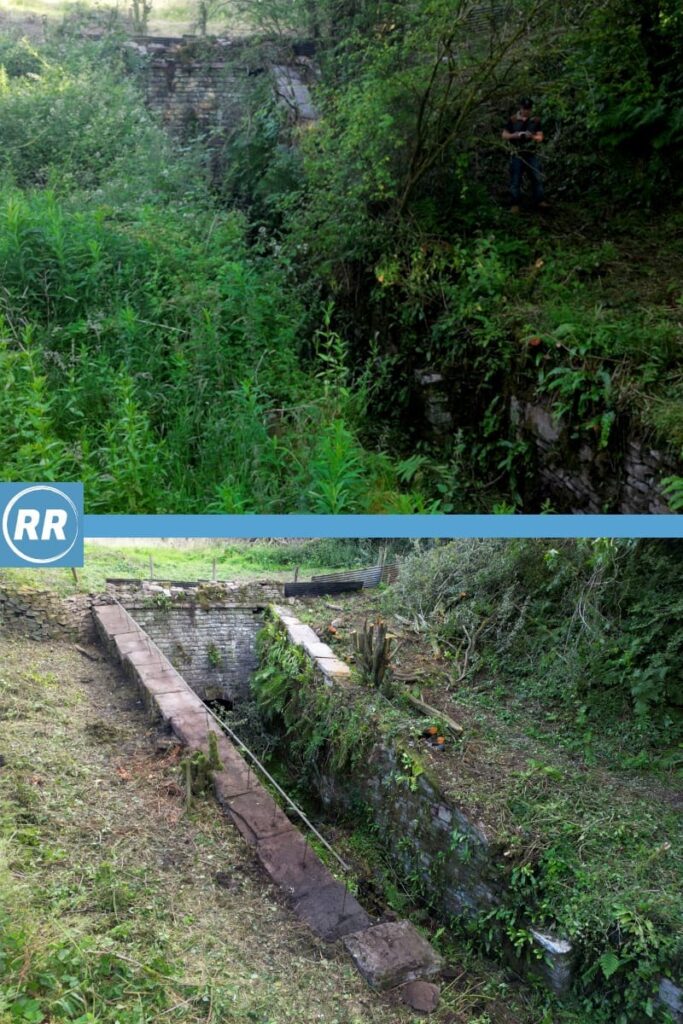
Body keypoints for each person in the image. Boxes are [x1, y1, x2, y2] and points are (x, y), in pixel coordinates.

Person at [502, 98, 547, 212]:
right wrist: (515, 135)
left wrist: (531, 136)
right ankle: (514, 203)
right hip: (517, 153)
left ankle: (539, 200)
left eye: (529, 109)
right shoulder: (512, 120)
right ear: (520, 108)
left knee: (536, 177)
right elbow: (504, 135)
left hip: (531, 153)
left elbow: (540, 137)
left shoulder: (535, 121)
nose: (526, 111)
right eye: (524, 108)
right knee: (515, 179)